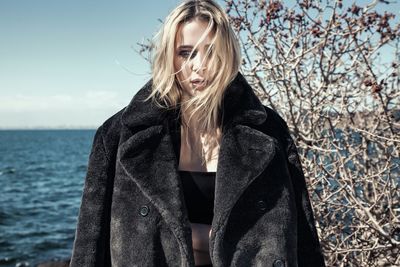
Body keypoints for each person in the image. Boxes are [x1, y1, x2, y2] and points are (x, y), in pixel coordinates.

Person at [69, 0, 326, 266]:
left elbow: (304, 239)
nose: (199, 65)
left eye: (212, 52)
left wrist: (198, 237)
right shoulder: (117, 135)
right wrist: (206, 237)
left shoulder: (269, 132)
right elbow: (90, 245)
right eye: (185, 52)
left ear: (228, 54)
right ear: (169, 56)